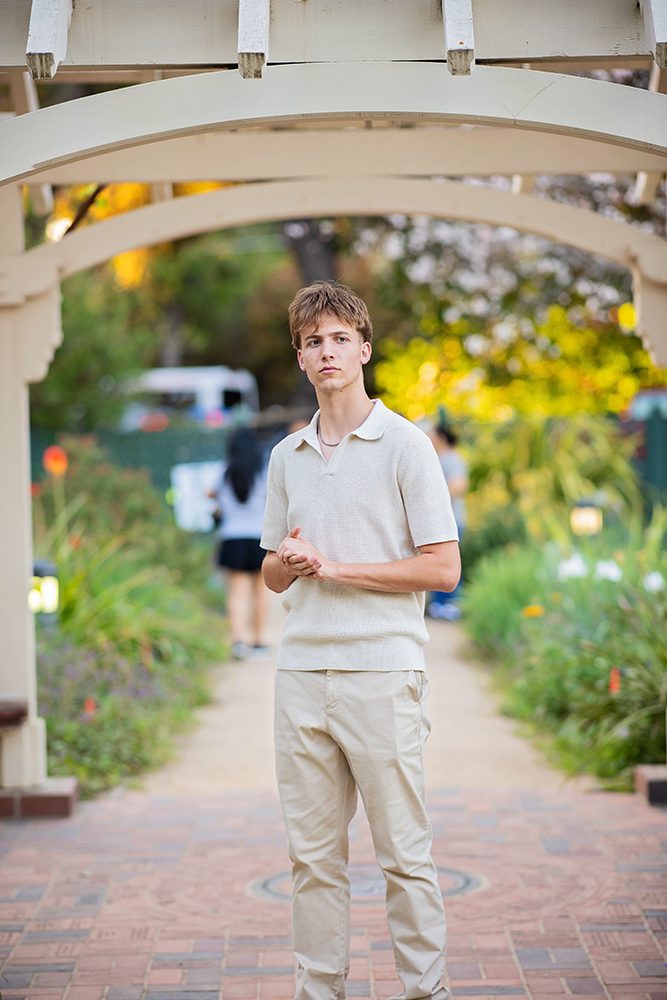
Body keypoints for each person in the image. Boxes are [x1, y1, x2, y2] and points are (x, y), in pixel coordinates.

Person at [261, 281, 460, 1000]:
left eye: (340, 338)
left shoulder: (406, 445)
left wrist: (336, 568)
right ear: (300, 357)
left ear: (364, 349)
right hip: (301, 676)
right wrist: (290, 562)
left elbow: (443, 568)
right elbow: (270, 575)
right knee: (312, 861)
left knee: (404, 855)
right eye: (313, 341)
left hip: (382, 671)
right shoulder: (287, 455)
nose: (327, 351)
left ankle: (425, 992)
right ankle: (319, 992)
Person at [213, 426, 268, 660]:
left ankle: (238, 641)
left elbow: (210, 494)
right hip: (259, 536)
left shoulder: (223, 472)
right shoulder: (263, 471)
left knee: (236, 593)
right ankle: (258, 642)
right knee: (260, 592)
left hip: (232, 537)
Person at [427, 424, 468, 621]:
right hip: (439, 522)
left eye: (431, 433)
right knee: (435, 562)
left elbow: (459, 485)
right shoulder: (438, 457)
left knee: (448, 563)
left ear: (440, 436)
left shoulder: (452, 458)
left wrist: (435, 503)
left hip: (451, 521)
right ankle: (438, 604)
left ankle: (450, 605)